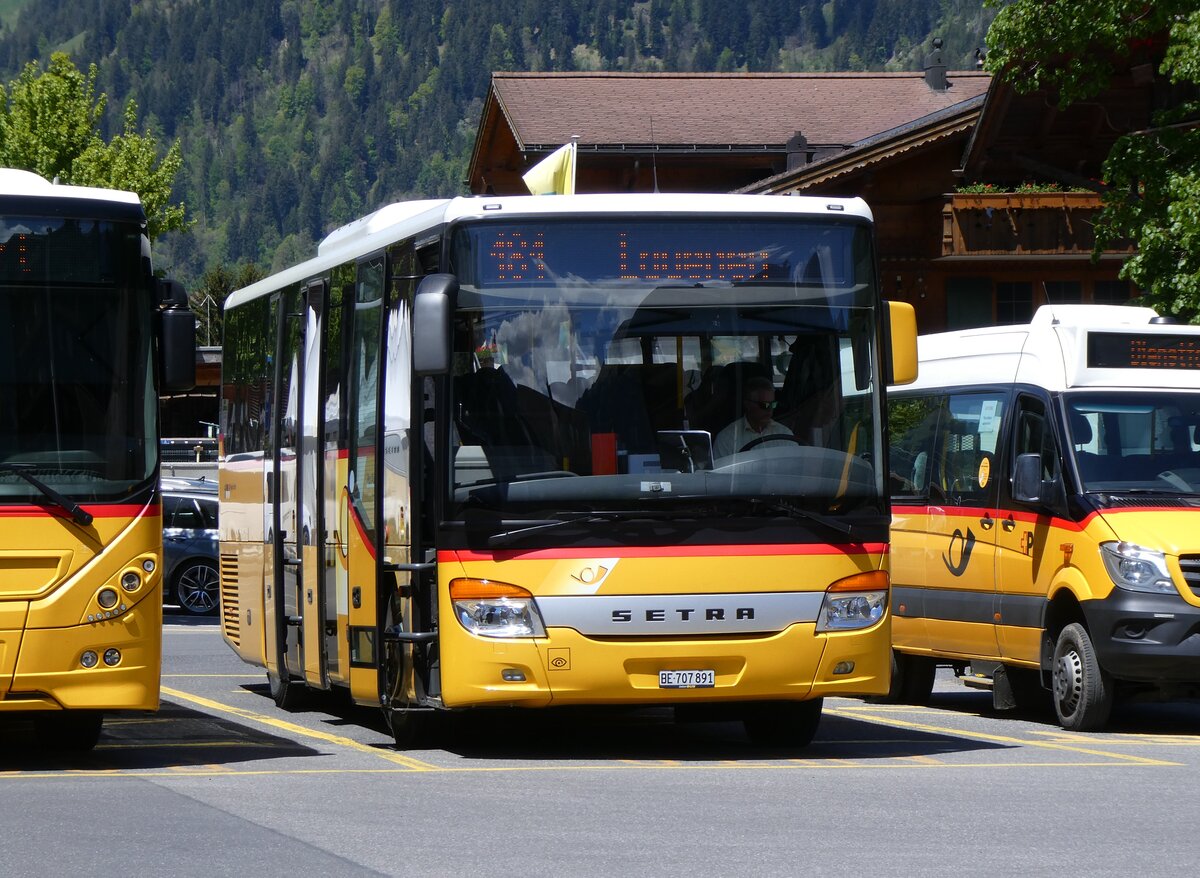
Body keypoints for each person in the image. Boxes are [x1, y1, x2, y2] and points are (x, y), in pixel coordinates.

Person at [714, 376, 792, 457]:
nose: (769, 410)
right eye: (764, 405)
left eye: (773, 404)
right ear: (747, 404)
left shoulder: (785, 434)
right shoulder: (726, 439)